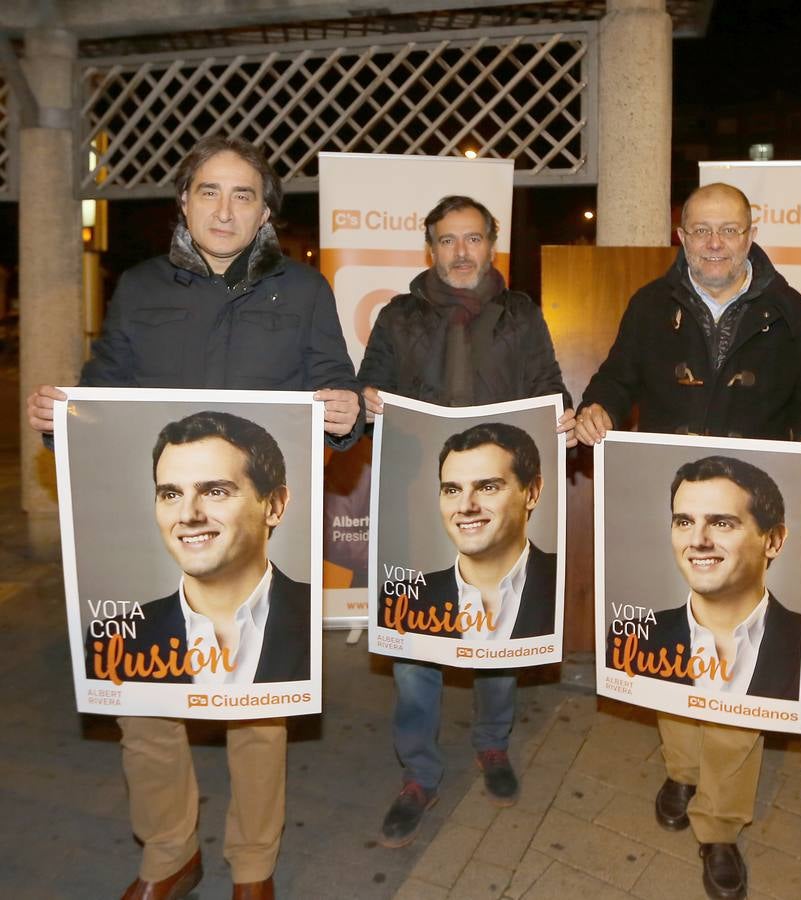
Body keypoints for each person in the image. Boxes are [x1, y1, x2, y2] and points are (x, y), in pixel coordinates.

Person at [27, 134, 362, 900]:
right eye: (209, 191)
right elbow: (103, 388)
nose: (225, 207)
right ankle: (169, 852)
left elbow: (334, 392)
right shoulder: (141, 288)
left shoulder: (304, 292)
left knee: (258, 712)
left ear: (265, 211)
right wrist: (60, 414)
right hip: (164, 547)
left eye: (244, 194)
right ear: (183, 203)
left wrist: (343, 413)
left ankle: (253, 866)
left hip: (254, 544)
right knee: (143, 707)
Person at [576, 182, 801, 900]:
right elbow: (614, 375)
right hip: (675, 502)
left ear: (752, 230)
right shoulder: (647, 305)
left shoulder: (789, 312)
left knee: (737, 661)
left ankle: (719, 826)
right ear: (680, 235)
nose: (715, 243)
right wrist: (595, 405)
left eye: (729, 230)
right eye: (701, 231)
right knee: (677, 647)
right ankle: (682, 767)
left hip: (746, 512)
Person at [357, 194, 574, 848]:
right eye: (447, 240)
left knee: (498, 634)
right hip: (421, 499)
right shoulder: (398, 316)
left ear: (491, 244)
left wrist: (562, 417)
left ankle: (492, 745)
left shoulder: (521, 314)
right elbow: (368, 385)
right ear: (431, 248)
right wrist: (364, 400)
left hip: (496, 503)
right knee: (414, 649)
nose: (460, 252)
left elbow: (549, 386)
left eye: (472, 239)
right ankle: (418, 773)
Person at [86, 411, 311, 685]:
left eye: (215, 491)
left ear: (274, 506)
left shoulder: (320, 620)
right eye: (171, 494)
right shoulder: (114, 641)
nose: (188, 515)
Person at [606, 455, 801, 702]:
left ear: (773, 540)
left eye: (721, 523)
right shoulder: (631, 640)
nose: (698, 541)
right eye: (684, 522)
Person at [396, 422, 556, 641]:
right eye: (452, 490)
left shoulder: (572, 587)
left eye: (487, 488)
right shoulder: (403, 601)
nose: (465, 506)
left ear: (531, 493)